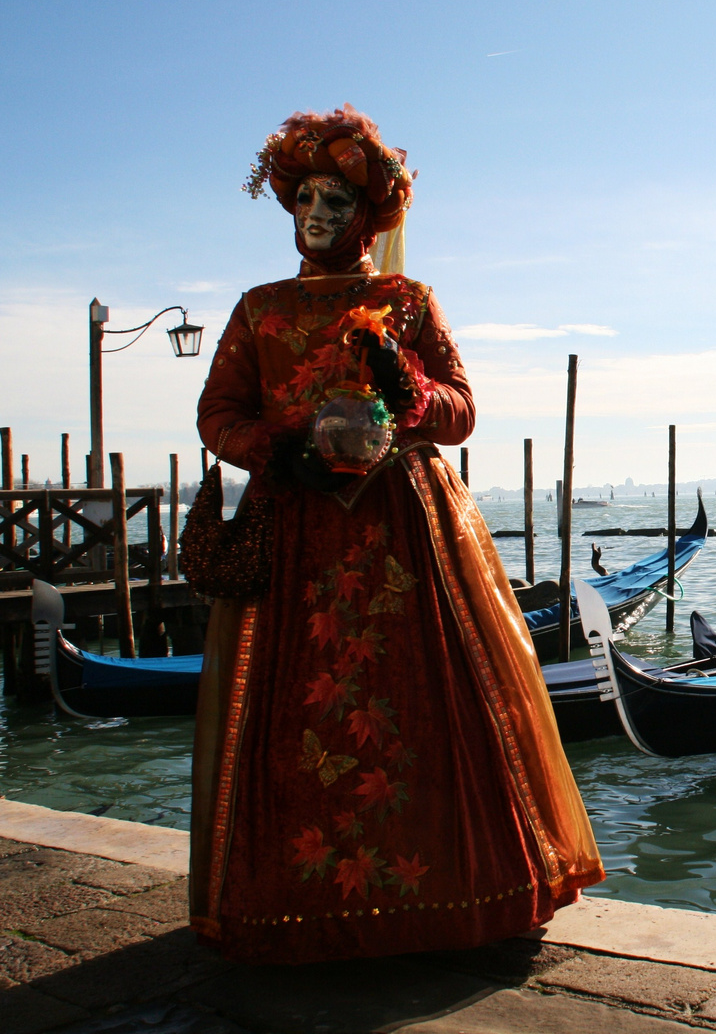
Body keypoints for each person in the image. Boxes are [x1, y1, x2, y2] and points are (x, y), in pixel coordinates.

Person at [190, 106, 602, 964]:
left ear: (368, 215)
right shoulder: (259, 310)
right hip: (297, 538)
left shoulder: (407, 303)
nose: (319, 214)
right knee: (298, 716)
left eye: (338, 201)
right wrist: (277, 451)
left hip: (403, 540)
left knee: (428, 708)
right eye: (306, 197)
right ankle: (296, 910)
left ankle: (459, 900)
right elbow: (218, 413)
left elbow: (460, 410)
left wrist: (405, 384)